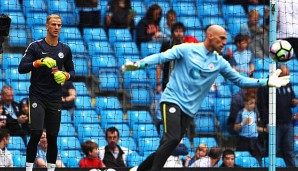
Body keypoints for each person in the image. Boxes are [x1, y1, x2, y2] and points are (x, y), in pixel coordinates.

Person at [123, 24, 290, 171]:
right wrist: (139, 64)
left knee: (169, 145)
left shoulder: (220, 62)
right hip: (172, 100)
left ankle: (140, 169)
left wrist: (266, 82)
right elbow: (161, 57)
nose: (225, 42)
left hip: (189, 110)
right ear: (210, 36)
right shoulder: (188, 49)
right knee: (172, 137)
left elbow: (240, 80)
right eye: (222, 38)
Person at [18, 14, 75, 171]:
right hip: (37, 95)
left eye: (59, 25)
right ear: (47, 26)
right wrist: (38, 62)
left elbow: (72, 71)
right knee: (36, 133)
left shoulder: (65, 49)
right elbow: (21, 68)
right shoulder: (35, 47)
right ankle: (28, 168)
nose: (57, 27)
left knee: (52, 137)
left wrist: (65, 75)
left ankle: (51, 169)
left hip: (54, 98)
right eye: (54, 24)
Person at [257, 64, 298, 167]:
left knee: (289, 151)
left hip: (288, 123)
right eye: (285, 73)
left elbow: (292, 98)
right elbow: (262, 105)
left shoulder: (287, 83)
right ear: (278, 72)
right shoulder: (266, 84)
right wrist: (266, 122)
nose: (287, 75)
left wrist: (293, 102)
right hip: (274, 124)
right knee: (272, 151)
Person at [233, 92, 264, 165]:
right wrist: (243, 123)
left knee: (258, 159)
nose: (253, 105)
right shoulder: (241, 113)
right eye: (251, 103)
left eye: (254, 103)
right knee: (241, 159)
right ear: (245, 103)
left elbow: (254, 127)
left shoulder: (255, 113)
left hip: (254, 140)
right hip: (244, 140)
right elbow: (235, 128)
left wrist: (264, 130)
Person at [156, 22, 186, 91]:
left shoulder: (186, 47)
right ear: (172, 33)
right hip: (167, 84)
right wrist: (158, 84)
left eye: (181, 31)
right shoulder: (166, 45)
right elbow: (159, 66)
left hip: (182, 85)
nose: (179, 33)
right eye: (176, 31)